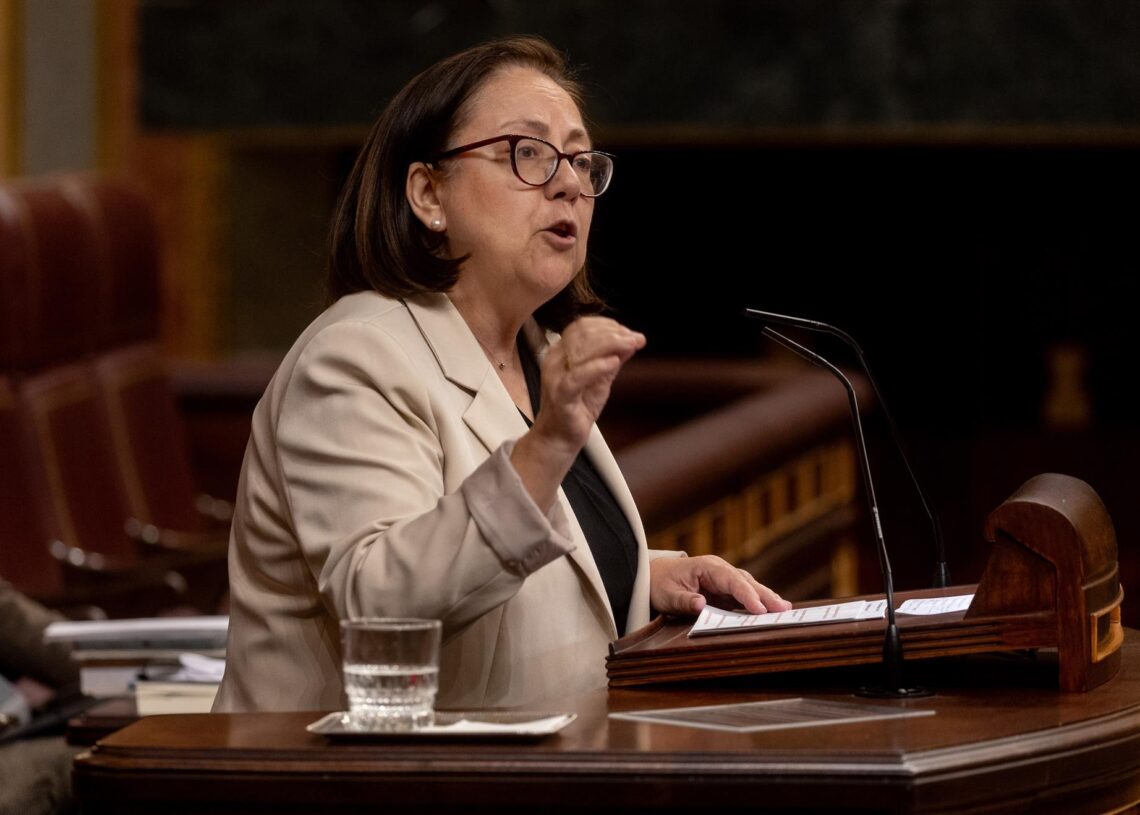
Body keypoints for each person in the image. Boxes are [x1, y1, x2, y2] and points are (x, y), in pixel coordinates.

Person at [214, 35, 790, 713]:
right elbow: (380, 602)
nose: (568, 183)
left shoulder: (538, 353)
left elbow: (512, 557)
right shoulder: (356, 356)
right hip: (359, 766)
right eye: (528, 152)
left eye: (580, 159)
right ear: (428, 192)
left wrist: (646, 576)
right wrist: (547, 445)